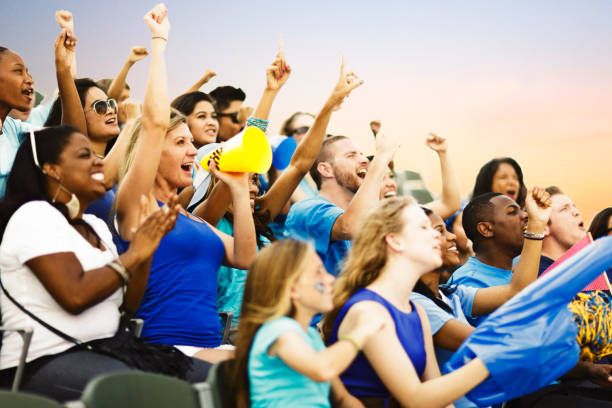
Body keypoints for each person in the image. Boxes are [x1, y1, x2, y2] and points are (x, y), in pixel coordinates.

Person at [0, 125, 209, 401]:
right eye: (85, 155)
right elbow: (75, 296)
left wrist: (146, 248)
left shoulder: (95, 225)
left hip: (109, 349)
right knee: (151, 391)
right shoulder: (34, 215)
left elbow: (129, 305)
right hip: (41, 360)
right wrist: (134, 254)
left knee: (218, 377)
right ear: (52, 169)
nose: (100, 161)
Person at [114, 4, 257, 364]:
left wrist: (239, 192)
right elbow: (153, 121)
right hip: (163, 349)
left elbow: (245, 256)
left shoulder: (195, 220)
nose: (193, 151)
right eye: (180, 142)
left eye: (191, 144)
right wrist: (159, 42)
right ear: (148, 151)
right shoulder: (136, 206)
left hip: (210, 347)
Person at [216, 53, 364, 339]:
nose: (253, 185)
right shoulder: (207, 218)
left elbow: (299, 164)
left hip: (275, 324)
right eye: (243, 177)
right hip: (232, 330)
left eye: (255, 180)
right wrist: (270, 93)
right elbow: (249, 149)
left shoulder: (260, 214)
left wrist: (329, 106)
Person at [322, 197, 490, 408]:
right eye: (423, 227)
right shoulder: (368, 311)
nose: (436, 236)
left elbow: (438, 395)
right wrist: (489, 361)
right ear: (395, 241)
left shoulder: (417, 311)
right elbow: (415, 398)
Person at [411, 190, 552, 408]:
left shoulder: (452, 293)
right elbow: (486, 344)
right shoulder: (416, 303)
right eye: (440, 231)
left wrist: (537, 224)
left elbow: (517, 291)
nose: (451, 237)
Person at [232, 239, 383, 408]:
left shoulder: (309, 336)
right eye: (319, 272)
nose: (330, 279)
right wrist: (361, 331)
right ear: (292, 289)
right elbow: (322, 369)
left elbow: (342, 398)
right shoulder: (278, 329)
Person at [285, 127, 398, 275]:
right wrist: (381, 158)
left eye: (362, 154)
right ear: (326, 170)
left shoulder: (367, 215)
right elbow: (349, 226)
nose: (364, 160)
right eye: (351, 155)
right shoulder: (306, 209)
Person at [378, 132, 461, 220]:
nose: (390, 183)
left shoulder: (406, 216)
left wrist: (443, 153)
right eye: (380, 179)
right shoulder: (364, 223)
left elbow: (450, 205)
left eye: (391, 176)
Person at [539, 186, 587, 275]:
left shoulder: (583, 269)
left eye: (574, 207)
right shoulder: (538, 278)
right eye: (564, 209)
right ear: (544, 227)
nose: (576, 212)